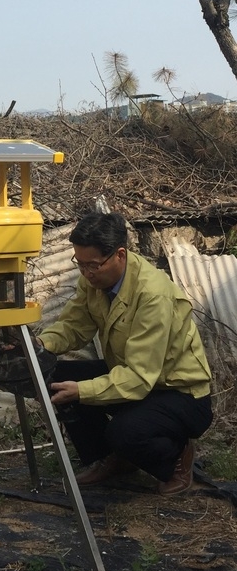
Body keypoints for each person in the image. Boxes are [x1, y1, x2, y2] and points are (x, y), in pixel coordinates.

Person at [37, 212, 213, 496]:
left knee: (123, 431)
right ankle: (112, 459)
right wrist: (40, 345)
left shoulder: (153, 295)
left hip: (179, 393)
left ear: (120, 254)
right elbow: (74, 326)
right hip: (136, 379)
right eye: (79, 265)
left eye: (92, 265)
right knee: (54, 374)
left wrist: (82, 391)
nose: (86, 273)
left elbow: (139, 376)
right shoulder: (93, 280)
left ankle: (176, 457)